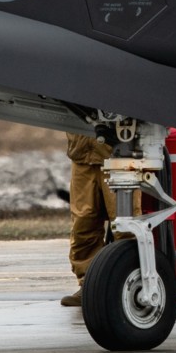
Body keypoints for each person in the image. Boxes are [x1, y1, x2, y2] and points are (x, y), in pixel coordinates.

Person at [62, 130, 116, 306]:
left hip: (118, 157)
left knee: (124, 223)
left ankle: (125, 281)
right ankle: (89, 284)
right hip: (82, 156)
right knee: (83, 223)